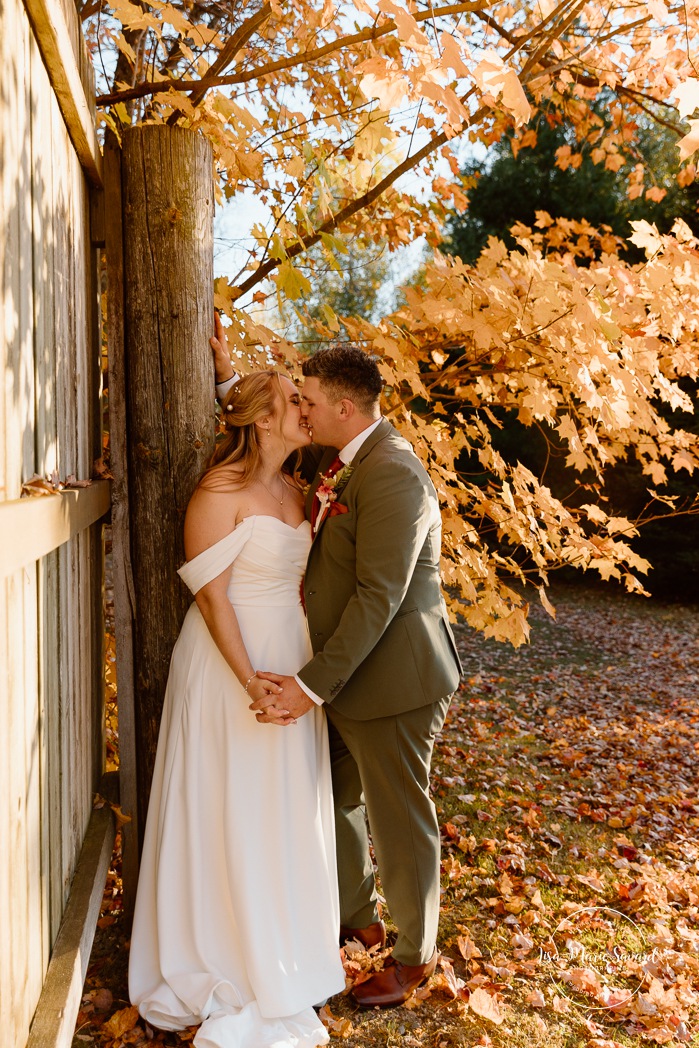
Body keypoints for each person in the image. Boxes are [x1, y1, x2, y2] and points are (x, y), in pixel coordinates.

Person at [214, 332, 462, 1008]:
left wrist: (307, 685)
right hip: (344, 677)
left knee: (398, 817)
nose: (303, 410)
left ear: (344, 410)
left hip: (396, 680)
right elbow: (265, 430)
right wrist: (227, 383)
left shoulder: (393, 473)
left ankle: (414, 959)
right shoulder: (345, 452)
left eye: (311, 401)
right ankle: (359, 920)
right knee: (336, 800)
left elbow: (379, 596)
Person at [128, 367, 346, 1048]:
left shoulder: (298, 488)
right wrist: (250, 679)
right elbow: (212, 597)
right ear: (259, 417)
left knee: (280, 804)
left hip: (294, 660)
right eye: (292, 402)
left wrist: (301, 679)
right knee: (229, 802)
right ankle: (222, 957)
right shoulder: (218, 490)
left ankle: (282, 949)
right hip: (230, 663)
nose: (304, 410)